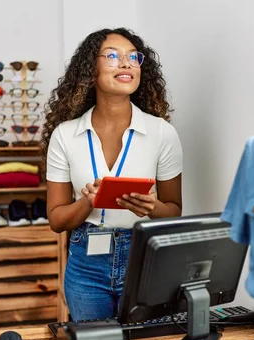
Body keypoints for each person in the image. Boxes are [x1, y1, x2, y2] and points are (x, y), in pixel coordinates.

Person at [43, 28, 183, 321]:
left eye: (134, 57)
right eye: (113, 56)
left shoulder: (162, 133)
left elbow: (174, 212)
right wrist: (87, 203)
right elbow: (56, 220)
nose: (127, 63)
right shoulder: (65, 136)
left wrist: (152, 207)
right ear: (90, 70)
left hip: (145, 259)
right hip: (86, 267)